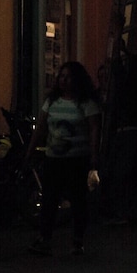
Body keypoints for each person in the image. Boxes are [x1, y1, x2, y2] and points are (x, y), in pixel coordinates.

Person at [26, 61, 101, 256]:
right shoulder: (51, 102)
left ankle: (77, 240)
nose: (64, 80)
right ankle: (45, 238)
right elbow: (41, 127)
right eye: (61, 76)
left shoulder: (86, 103)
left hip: (77, 159)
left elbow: (94, 130)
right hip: (54, 159)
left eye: (68, 77)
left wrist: (94, 157)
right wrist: (31, 150)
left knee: (78, 200)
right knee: (49, 199)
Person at [103, 50, 137, 225]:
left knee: (122, 173)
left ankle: (123, 212)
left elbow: (116, 69)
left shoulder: (128, 82)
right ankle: (136, 211)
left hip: (127, 132)